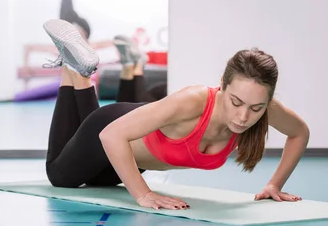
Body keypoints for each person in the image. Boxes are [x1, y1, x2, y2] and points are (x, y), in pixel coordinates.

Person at [44, 19, 310, 211]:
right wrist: (143, 194)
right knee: (59, 176)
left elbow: (299, 133)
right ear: (222, 85)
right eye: (236, 102)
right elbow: (111, 134)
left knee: (95, 182)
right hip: (111, 129)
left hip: (127, 161)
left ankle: (72, 67)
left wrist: (275, 184)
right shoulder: (193, 101)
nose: (243, 116)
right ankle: (79, 71)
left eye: (256, 108)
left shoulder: (264, 108)